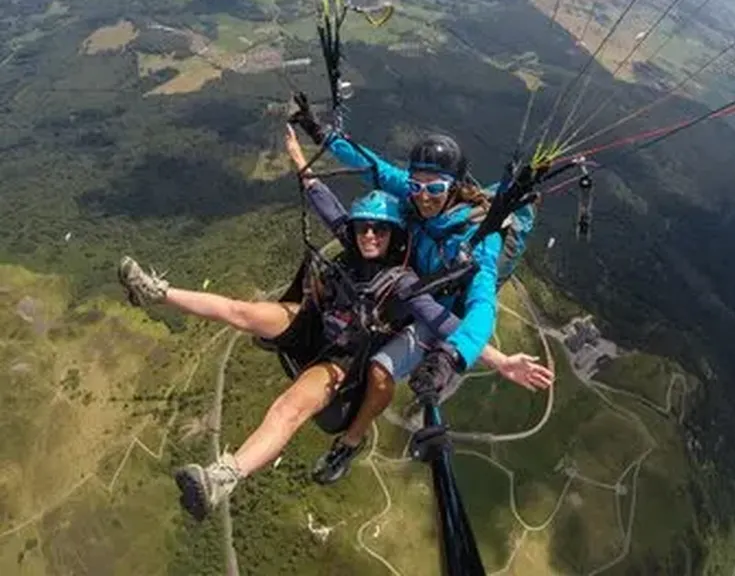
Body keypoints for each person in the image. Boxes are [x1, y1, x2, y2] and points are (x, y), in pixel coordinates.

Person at [117, 126, 552, 517]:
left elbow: (443, 319)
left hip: (345, 354)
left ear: (394, 235)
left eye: (379, 231)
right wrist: (303, 152)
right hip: (317, 322)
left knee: (290, 407)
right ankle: (155, 292)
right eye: (364, 228)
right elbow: (336, 194)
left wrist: (490, 359)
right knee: (243, 311)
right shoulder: (360, 235)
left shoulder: (403, 279)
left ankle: (221, 479)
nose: (368, 236)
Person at [290, 98, 548, 478]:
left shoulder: (481, 237)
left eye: (435, 188)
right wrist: (319, 133)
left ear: (455, 185)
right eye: (416, 186)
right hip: (408, 285)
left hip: (440, 311)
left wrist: (451, 356)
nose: (423, 196)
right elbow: (371, 166)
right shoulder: (415, 190)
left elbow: (481, 306)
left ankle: (349, 444)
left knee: (380, 370)